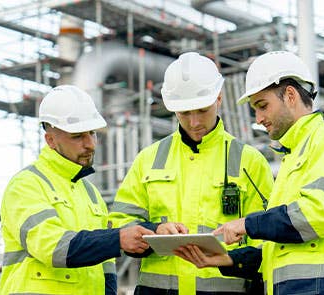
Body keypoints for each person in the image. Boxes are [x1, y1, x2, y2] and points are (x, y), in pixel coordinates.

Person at [174, 51, 324, 294]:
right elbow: (279, 249)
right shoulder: (293, 156)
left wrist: (247, 224)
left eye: (263, 106)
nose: (259, 118)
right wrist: (229, 259)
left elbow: (322, 214)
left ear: (290, 95)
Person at [109, 52, 274, 294]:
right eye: (184, 113)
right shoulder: (149, 159)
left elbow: (268, 240)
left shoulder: (250, 162)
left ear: (218, 98)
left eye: (201, 110)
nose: (194, 122)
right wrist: (155, 231)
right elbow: (120, 224)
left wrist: (234, 258)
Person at [0, 85, 156, 295]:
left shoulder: (91, 194)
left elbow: (106, 268)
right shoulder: (25, 186)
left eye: (92, 133)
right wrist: (118, 238)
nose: (90, 144)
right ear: (51, 140)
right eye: (78, 136)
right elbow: (54, 247)